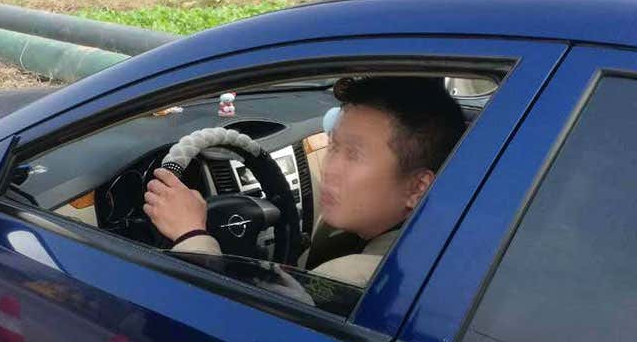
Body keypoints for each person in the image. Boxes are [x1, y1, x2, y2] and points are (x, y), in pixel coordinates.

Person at [143, 76, 465, 287]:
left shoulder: (349, 282)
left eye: (353, 154)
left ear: (417, 188)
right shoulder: (441, 247)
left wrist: (192, 235)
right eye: (334, 145)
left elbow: (222, 329)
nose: (329, 167)